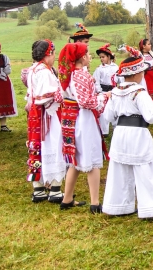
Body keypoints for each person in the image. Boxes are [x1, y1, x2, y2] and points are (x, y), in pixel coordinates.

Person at [101, 47, 153, 222]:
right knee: (148, 169)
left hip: (120, 134)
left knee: (120, 169)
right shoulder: (139, 92)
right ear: (136, 75)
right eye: (142, 72)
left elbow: (108, 116)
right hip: (138, 134)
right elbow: (150, 115)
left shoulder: (115, 92)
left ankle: (118, 206)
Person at [58, 43, 110, 213]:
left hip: (70, 118)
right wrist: (104, 97)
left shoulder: (67, 75)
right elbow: (86, 101)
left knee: (76, 159)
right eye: (88, 54)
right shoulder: (81, 75)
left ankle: (67, 199)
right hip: (82, 119)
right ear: (81, 58)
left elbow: (61, 96)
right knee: (92, 158)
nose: (90, 56)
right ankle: (95, 203)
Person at [23, 40, 66, 203]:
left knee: (37, 147)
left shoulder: (33, 69)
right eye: (53, 54)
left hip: (35, 115)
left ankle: (38, 188)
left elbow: (31, 95)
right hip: (47, 115)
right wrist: (60, 95)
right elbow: (46, 97)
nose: (54, 57)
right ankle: (55, 189)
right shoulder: (45, 72)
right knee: (52, 145)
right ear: (48, 54)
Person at [93, 44, 120, 134]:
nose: (101, 59)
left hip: (113, 91)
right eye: (100, 57)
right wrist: (100, 92)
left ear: (109, 57)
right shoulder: (99, 69)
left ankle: (116, 127)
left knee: (114, 109)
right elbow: (96, 81)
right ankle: (104, 131)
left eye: (103, 57)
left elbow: (119, 78)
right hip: (103, 92)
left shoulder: (115, 67)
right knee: (104, 111)